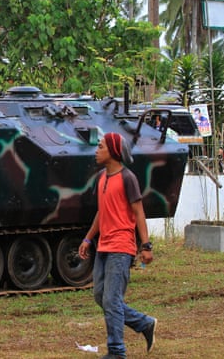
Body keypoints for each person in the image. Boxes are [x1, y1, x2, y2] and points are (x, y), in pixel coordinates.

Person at [78, 132, 156, 359]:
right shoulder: (102, 177)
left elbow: (138, 212)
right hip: (103, 246)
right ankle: (144, 323)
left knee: (111, 300)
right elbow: (102, 212)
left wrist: (146, 245)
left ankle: (117, 352)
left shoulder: (127, 178)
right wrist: (87, 238)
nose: (96, 150)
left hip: (121, 247)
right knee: (100, 296)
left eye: (100, 146)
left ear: (113, 152)